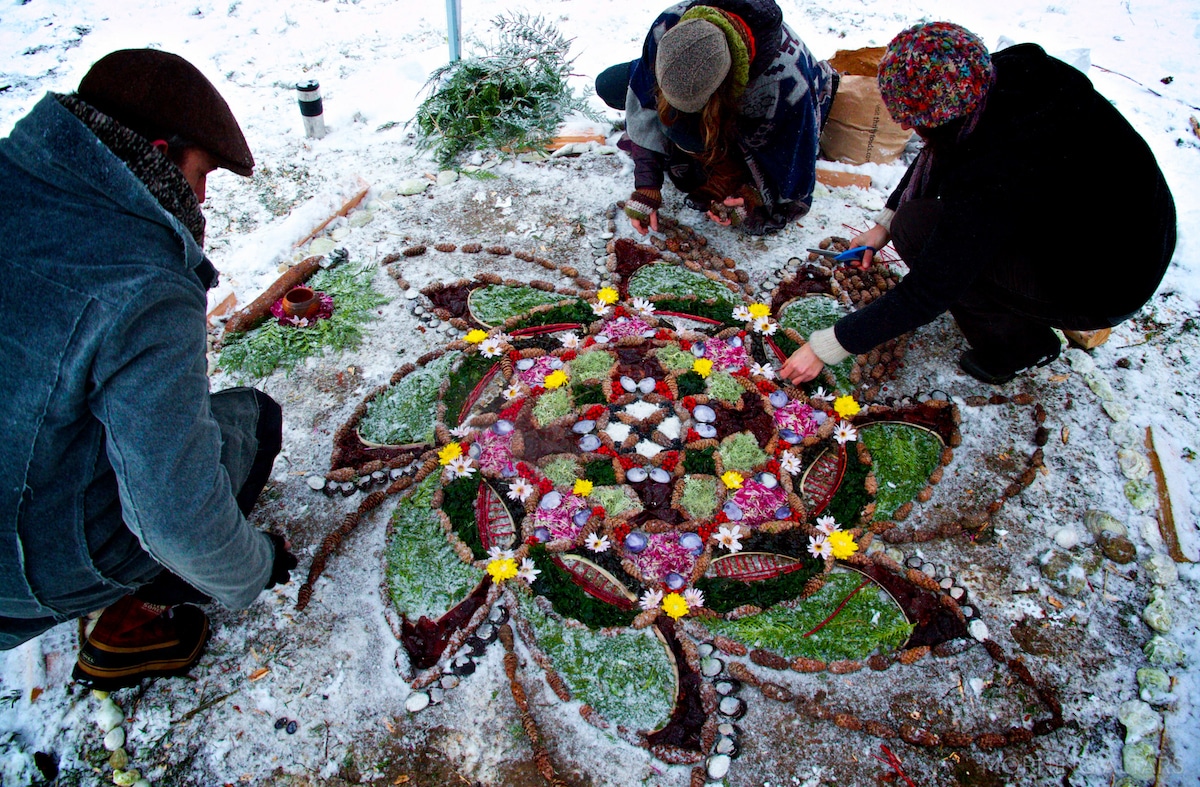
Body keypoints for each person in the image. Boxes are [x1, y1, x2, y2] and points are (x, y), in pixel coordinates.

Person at [0, 49, 297, 689]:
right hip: (23, 569)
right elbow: (176, 515)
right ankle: (135, 622)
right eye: (201, 174)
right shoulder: (142, 277)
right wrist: (255, 566)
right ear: (159, 153)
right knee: (250, 421)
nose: (202, 201)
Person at [780, 22, 1176, 386]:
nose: (904, 127)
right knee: (910, 223)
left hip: (1107, 282)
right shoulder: (994, 75)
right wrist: (885, 220)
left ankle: (1021, 350)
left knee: (920, 235)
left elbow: (928, 292)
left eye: (912, 120)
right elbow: (937, 147)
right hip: (1119, 229)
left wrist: (826, 346)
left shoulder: (1000, 167)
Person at [595, 0, 836, 235]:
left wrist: (750, 195)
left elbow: (791, 175)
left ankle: (711, 151)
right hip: (698, 78)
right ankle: (687, 129)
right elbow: (643, 97)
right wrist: (647, 185)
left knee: (687, 139)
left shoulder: (784, 86)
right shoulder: (669, 24)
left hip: (765, 98)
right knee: (610, 84)